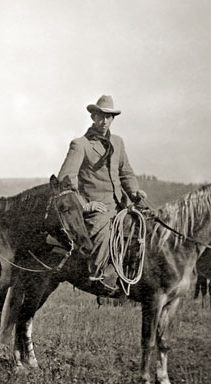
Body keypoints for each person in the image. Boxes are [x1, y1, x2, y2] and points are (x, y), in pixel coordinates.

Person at [57, 95, 146, 292]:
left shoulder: (118, 142)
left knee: (145, 227)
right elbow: (66, 181)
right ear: (93, 117)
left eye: (109, 117)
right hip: (96, 207)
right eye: (100, 116)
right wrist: (85, 205)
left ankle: (134, 277)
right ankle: (98, 276)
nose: (104, 121)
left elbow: (126, 173)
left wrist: (135, 191)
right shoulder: (80, 145)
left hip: (120, 204)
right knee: (103, 233)